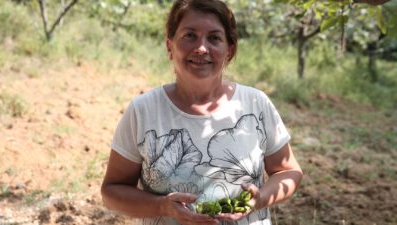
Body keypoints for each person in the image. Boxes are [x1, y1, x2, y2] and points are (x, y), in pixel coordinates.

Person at [101, 0, 303, 224]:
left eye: (214, 38)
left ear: (230, 49)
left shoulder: (256, 103)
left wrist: (260, 198)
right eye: (189, 35)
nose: (201, 48)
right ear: (169, 45)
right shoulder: (144, 110)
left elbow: (288, 171)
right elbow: (112, 191)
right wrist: (162, 206)